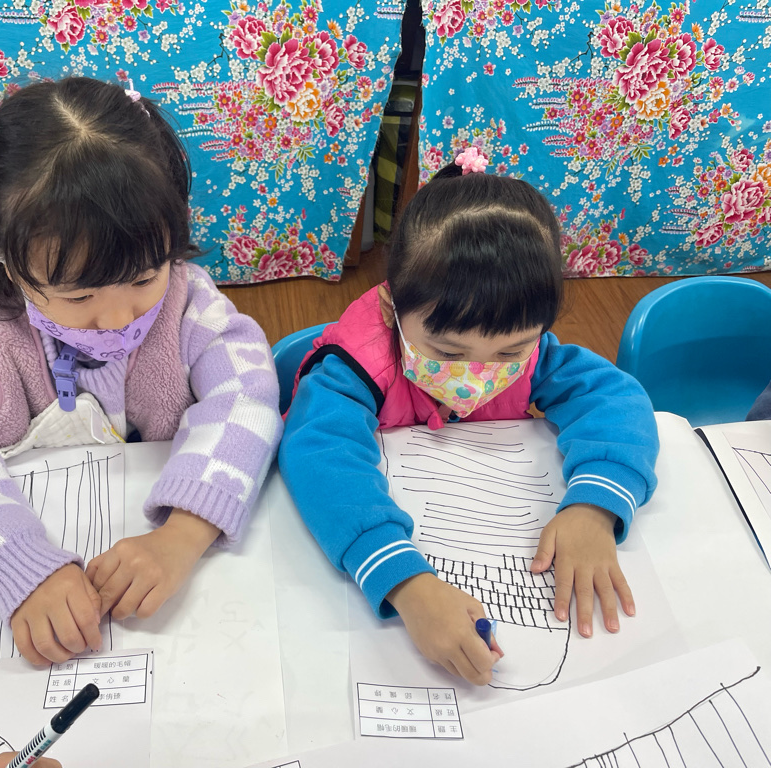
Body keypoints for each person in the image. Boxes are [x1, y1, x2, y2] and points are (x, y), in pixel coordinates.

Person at [0, 77, 281, 667]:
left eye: (143, 277)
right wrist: (22, 570)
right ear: (4, 259)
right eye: (79, 295)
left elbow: (247, 396)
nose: (116, 318)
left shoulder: (189, 305)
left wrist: (183, 534)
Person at [278, 153, 659, 686]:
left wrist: (595, 505)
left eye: (510, 353)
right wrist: (404, 581)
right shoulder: (353, 368)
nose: (477, 374)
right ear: (390, 307)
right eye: (447, 352)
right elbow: (320, 454)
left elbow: (615, 400)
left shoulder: (539, 355)